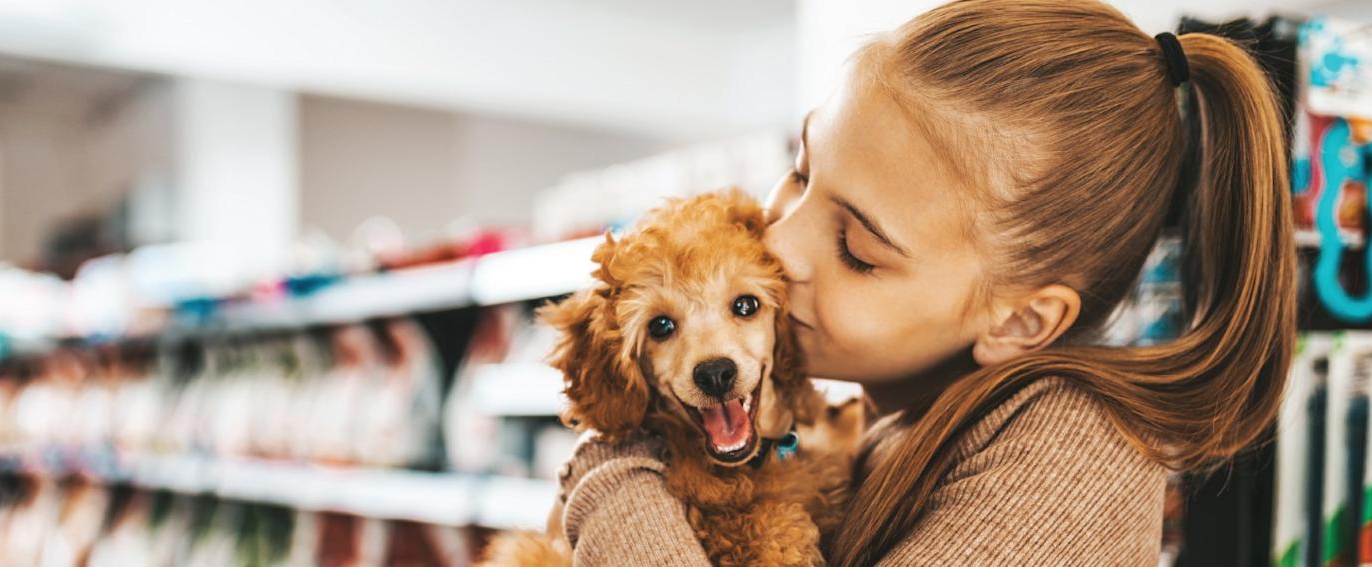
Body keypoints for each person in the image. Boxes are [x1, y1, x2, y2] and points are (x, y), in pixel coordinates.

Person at [554, 0, 1294, 564]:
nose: (778, 242)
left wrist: (615, 467)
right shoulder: (873, 414)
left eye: (855, 248)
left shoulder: (1074, 448)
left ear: (1018, 323)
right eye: (802, 171)